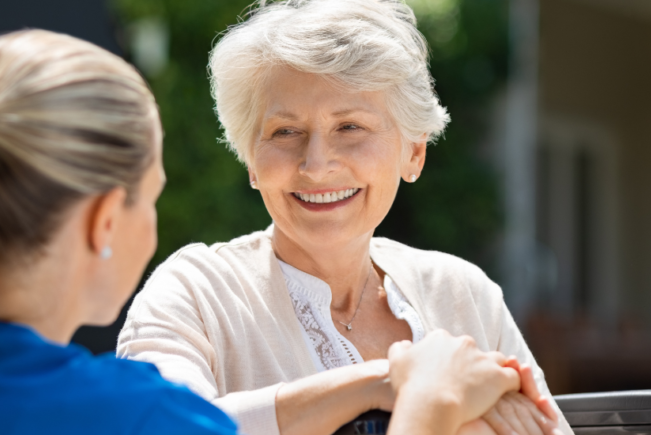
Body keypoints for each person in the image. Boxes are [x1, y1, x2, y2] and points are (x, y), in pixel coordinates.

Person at [0, 29, 528, 435]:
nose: (316, 160)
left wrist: (383, 383)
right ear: (105, 220)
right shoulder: (135, 417)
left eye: (350, 126)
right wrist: (428, 405)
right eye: (154, 199)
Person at [116, 1, 573, 435]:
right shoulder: (194, 292)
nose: (316, 165)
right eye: (285, 131)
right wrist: (399, 384)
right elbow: (159, 425)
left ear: (413, 153)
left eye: (350, 127)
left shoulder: (462, 293)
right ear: (252, 162)